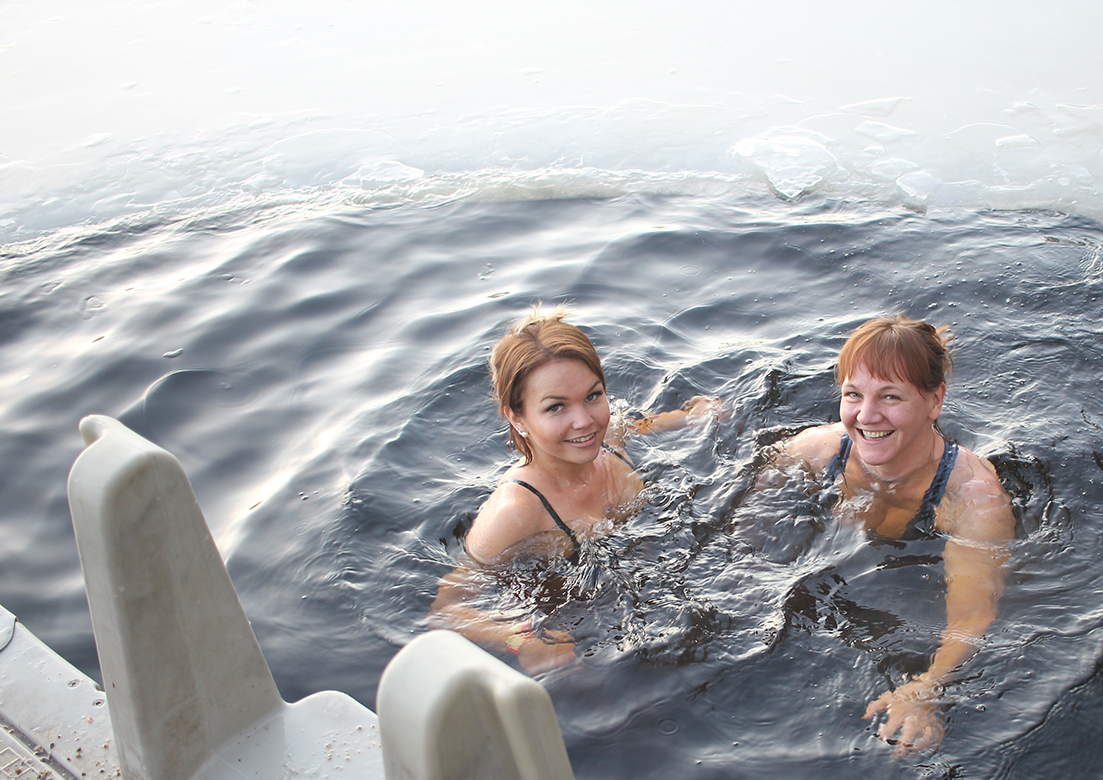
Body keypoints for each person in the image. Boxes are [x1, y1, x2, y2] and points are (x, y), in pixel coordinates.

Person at [767, 314, 1013, 753]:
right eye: (853, 394)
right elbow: (747, 535)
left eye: (890, 396)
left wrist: (926, 689)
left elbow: (972, 617)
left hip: (916, 588)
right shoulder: (815, 450)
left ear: (934, 401)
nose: (866, 415)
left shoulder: (972, 496)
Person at [430, 306, 720, 672]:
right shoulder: (515, 510)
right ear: (517, 418)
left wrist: (697, 414)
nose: (585, 421)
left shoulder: (610, 435)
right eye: (556, 407)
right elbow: (446, 610)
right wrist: (522, 641)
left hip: (658, 584)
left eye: (593, 396)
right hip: (584, 634)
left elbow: (641, 424)